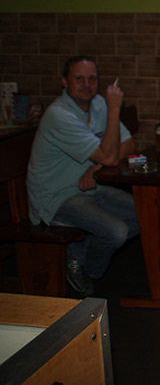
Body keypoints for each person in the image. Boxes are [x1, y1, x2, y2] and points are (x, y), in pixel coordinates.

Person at [27, 55, 139, 296]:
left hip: (92, 187)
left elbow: (129, 145)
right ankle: (87, 268)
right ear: (64, 82)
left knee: (147, 214)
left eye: (92, 79)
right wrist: (115, 109)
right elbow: (110, 157)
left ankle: (77, 255)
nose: (87, 85)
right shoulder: (60, 115)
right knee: (116, 231)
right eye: (79, 79)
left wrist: (96, 166)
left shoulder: (98, 104)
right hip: (56, 196)